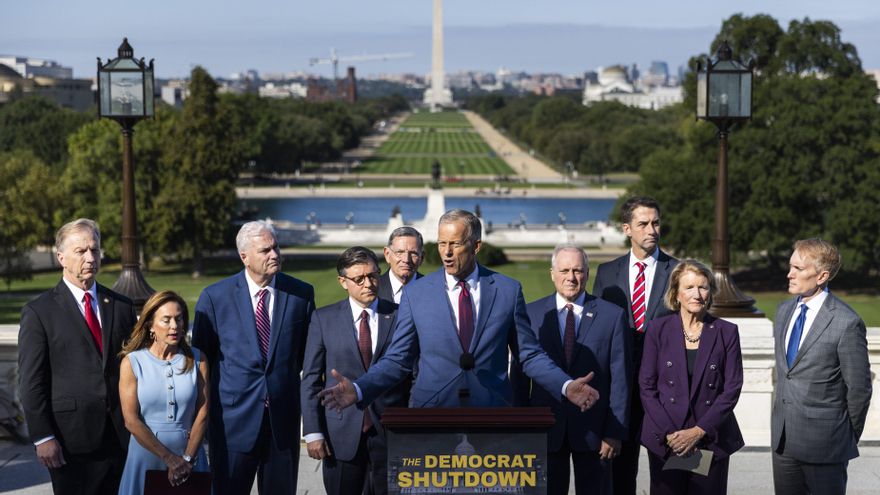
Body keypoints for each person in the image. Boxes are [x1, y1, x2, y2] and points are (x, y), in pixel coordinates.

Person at [320, 209, 600, 414]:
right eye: (442, 243)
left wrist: (565, 386)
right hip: (431, 414)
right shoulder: (417, 293)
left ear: (476, 246)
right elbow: (397, 360)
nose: (447, 252)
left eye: (455, 243)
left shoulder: (507, 290)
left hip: (491, 413)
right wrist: (359, 389)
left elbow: (529, 355)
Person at [192, 221, 315, 495]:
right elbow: (202, 363)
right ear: (244, 256)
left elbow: (308, 357)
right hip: (232, 426)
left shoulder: (301, 295)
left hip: (282, 425)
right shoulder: (215, 297)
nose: (275, 254)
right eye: (265, 250)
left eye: (276, 247)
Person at [18, 218, 137, 495]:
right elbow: (31, 382)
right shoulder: (39, 312)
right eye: (81, 251)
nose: (90, 257)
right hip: (70, 441)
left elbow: (136, 366)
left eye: (94, 250)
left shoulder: (120, 305)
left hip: (121, 436)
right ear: (61, 257)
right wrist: (43, 437)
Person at [514, 244, 630, 495]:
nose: (571, 277)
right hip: (545, 431)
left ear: (587, 273)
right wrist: (521, 429)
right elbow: (520, 379)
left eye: (578, 270)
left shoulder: (612, 316)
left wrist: (614, 432)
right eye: (564, 270)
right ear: (552, 273)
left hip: (595, 433)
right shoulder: (531, 314)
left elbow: (620, 379)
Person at [301, 247, 410, 495]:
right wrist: (313, 432)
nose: (369, 284)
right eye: (359, 279)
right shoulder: (323, 319)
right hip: (339, 435)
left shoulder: (400, 315)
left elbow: (411, 373)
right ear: (343, 282)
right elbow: (310, 380)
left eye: (373, 276)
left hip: (391, 432)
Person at [771, 239, 871, 495]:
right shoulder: (783, 311)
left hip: (826, 446)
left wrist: (843, 436)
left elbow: (859, 389)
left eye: (798, 268)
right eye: (790, 266)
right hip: (783, 444)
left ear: (821, 276)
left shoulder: (846, 322)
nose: (789, 274)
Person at [592, 196, 678, 495]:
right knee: (619, 474)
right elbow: (597, 331)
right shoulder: (606, 273)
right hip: (620, 390)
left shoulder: (679, 272)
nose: (652, 230)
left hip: (665, 390)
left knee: (669, 474)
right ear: (627, 228)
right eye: (643, 224)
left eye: (656, 223)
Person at [639, 260, 744, 494]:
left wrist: (698, 432)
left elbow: (732, 388)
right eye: (689, 287)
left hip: (709, 438)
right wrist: (672, 435)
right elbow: (647, 386)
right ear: (676, 294)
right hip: (667, 439)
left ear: (710, 292)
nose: (697, 294)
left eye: (703, 287)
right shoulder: (658, 329)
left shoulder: (727, 332)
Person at [117, 290, 209, 493]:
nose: (175, 326)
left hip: (190, 458)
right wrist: (169, 459)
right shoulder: (132, 362)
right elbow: (131, 420)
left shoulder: (198, 359)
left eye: (179, 319)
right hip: (145, 458)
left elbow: (203, 412)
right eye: (166, 320)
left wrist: (186, 459)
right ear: (150, 324)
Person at [378, 226, 424, 305]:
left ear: (421, 258)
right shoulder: (372, 290)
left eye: (413, 253)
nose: (406, 260)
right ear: (387, 254)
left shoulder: (434, 291)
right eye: (400, 252)